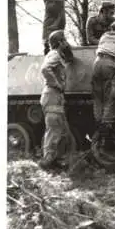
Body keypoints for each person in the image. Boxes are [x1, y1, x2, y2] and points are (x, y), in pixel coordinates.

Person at [39, 30, 74, 170]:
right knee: (54, 130)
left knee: (62, 131)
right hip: (52, 94)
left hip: (55, 96)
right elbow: (45, 69)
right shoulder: (54, 54)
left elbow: (69, 58)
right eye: (64, 40)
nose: (66, 42)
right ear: (59, 42)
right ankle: (47, 162)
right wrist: (57, 84)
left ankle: (55, 160)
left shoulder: (58, 54)